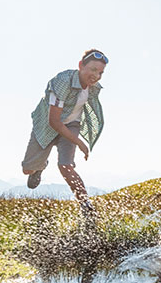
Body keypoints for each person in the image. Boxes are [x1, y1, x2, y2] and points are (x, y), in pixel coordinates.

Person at [21, 50, 107, 219]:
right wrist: (80, 143)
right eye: (93, 69)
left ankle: (86, 207)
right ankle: (39, 168)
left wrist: (79, 137)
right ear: (81, 65)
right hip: (46, 124)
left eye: (101, 72)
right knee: (27, 169)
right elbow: (54, 121)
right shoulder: (62, 82)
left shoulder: (93, 87)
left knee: (66, 166)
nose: (96, 76)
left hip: (72, 124)